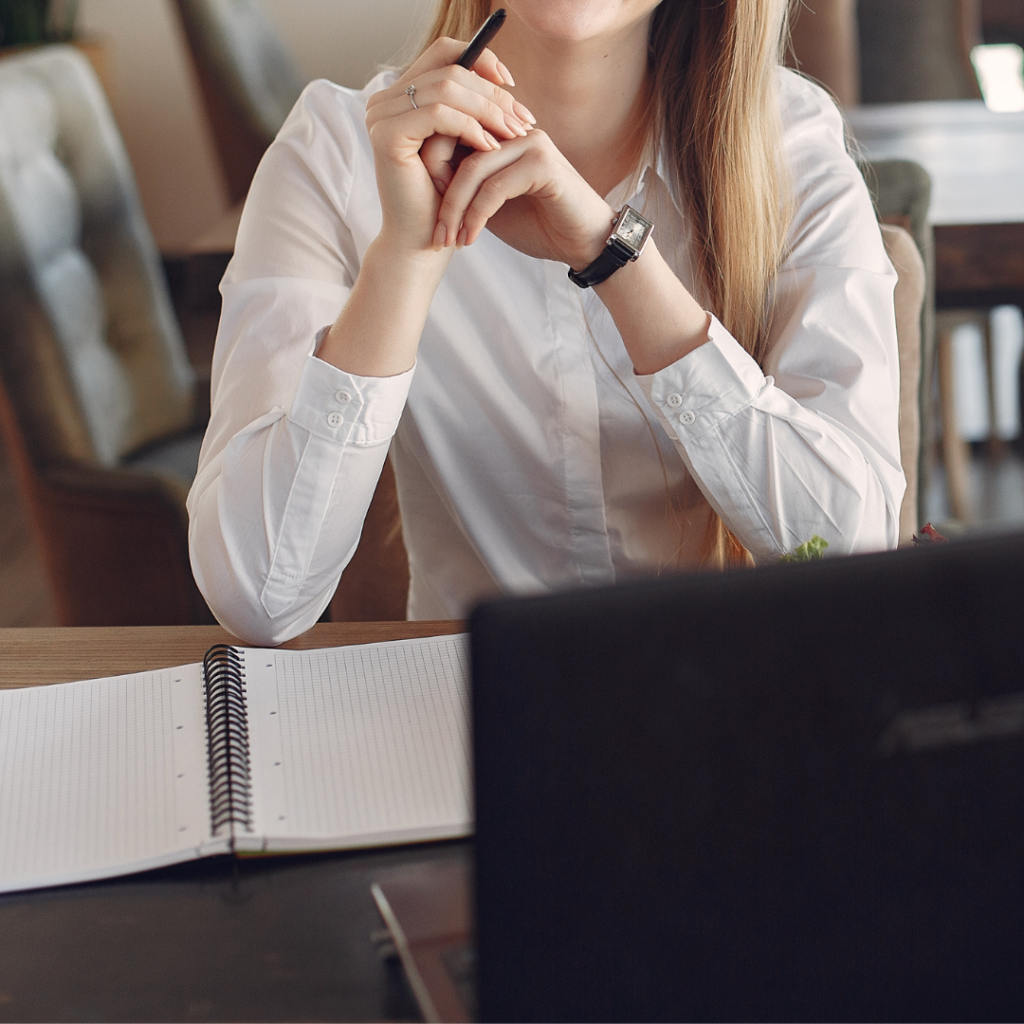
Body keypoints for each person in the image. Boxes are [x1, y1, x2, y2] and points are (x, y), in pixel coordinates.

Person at [188, 0, 904, 645]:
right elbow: (259, 596)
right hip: (455, 719)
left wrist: (615, 254)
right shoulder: (335, 151)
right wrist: (406, 255)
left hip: (734, 705)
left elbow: (851, 553)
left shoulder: (790, 145)